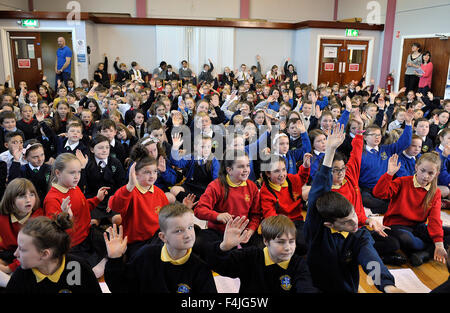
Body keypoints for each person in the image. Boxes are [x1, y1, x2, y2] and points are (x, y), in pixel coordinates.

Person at [304, 123, 403, 293]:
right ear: (330, 224)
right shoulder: (316, 228)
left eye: (353, 216)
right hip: (317, 287)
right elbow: (318, 188)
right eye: (347, 222)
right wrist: (329, 152)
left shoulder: (357, 233)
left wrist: (387, 285)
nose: (355, 224)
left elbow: (371, 261)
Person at [103, 203, 217, 293]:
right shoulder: (146, 255)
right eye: (179, 231)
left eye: (190, 227)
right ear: (163, 237)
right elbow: (121, 288)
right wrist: (115, 259)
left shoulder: (200, 268)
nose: (188, 235)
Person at [205, 215, 318, 293]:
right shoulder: (251, 256)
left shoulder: (298, 264)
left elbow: (306, 287)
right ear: (266, 242)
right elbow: (220, 266)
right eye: (280, 242)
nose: (288, 248)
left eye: (291, 241)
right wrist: (224, 247)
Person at [373, 153, 450, 267]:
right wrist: (389, 174)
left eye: (430, 173)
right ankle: (423, 252)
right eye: (422, 170)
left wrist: (439, 244)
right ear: (416, 167)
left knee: (442, 235)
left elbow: (434, 220)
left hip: (418, 227)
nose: (425, 176)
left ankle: (423, 254)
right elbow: (378, 193)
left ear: (436, 174)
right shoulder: (402, 182)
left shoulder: (435, 192)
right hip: (396, 226)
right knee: (407, 239)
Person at [43, 153, 110, 277]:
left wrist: (97, 199)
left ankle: (101, 261)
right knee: (94, 272)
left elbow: (83, 207)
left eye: (79, 172)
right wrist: (65, 217)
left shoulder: (73, 187)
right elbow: (54, 232)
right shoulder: (52, 199)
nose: (77, 177)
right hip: (74, 245)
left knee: (116, 247)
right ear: (58, 173)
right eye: (72, 172)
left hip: (88, 234)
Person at [5, 212, 101, 293]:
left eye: (22, 249)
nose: (15, 254)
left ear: (45, 254)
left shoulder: (79, 268)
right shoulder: (20, 276)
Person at [194, 150, 263, 256]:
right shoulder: (215, 186)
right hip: (218, 232)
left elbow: (256, 215)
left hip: (242, 232)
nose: (246, 170)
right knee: (199, 244)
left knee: (261, 250)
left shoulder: (252, 187)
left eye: (248, 165)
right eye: (241, 166)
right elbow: (199, 210)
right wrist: (217, 216)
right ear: (229, 170)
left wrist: (249, 232)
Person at [107, 157, 170, 259]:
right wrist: (130, 185)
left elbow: (167, 217)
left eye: (154, 171)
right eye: (147, 172)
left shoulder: (159, 192)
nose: (152, 176)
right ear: (135, 174)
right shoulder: (130, 191)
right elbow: (115, 206)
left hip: (156, 237)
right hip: (136, 242)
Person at [260, 154, 312, 256]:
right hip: (281, 227)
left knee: (315, 237)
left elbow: (302, 178)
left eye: (284, 169)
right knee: (303, 244)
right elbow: (271, 218)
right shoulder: (266, 192)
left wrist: (305, 166)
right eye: (276, 171)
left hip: (298, 221)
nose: (282, 174)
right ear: (268, 173)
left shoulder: (290, 179)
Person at [0, 178, 43, 275]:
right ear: (11, 199)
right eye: (22, 196)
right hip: (7, 255)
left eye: (32, 195)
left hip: (28, 258)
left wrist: (8, 268)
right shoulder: (2, 217)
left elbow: (34, 252)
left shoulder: (39, 218)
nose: (28, 200)